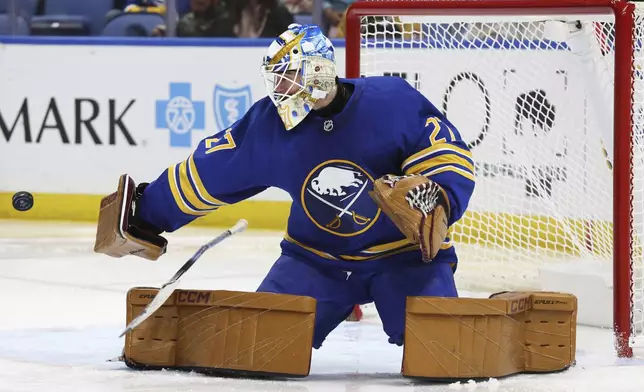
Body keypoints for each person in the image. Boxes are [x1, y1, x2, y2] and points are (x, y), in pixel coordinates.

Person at [97, 24, 475, 349]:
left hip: (406, 259)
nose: (282, 87)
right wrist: (146, 214)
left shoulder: (392, 103)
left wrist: (439, 198)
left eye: (290, 76)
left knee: (441, 352)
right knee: (257, 347)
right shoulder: (271, 124)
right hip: (315, 261)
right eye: (276, 77)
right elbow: (210, 172)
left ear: (320, 70)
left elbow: (445, 154)